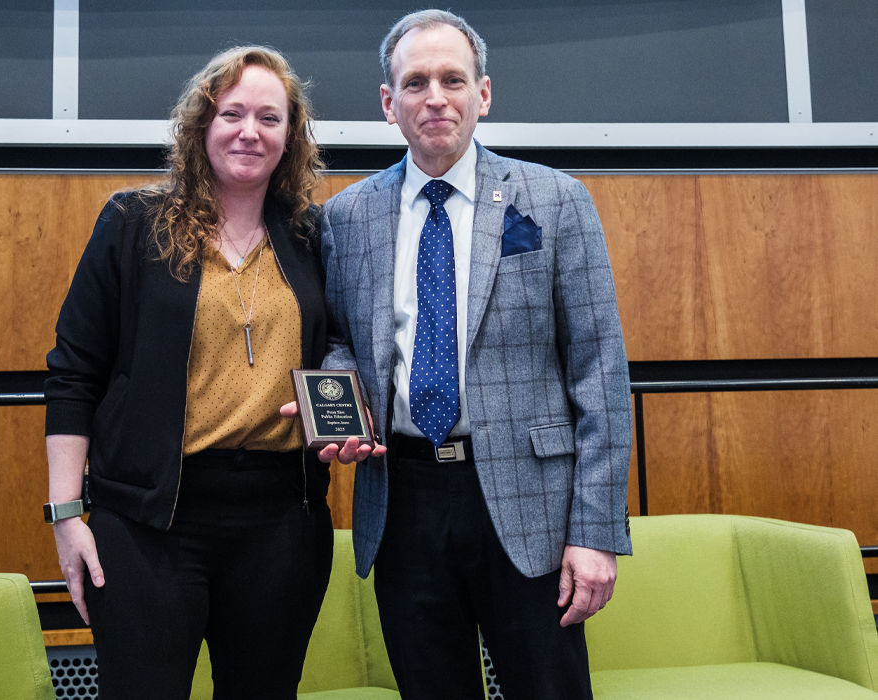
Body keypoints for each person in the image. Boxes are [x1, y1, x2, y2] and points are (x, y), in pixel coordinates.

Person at [312, 10, 633, 699]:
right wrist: (342, 402)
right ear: (388, 102)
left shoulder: (555, 200)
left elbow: (600, 372)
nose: (436, 97)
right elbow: (336, 338)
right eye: (416, 81)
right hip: (403, 499)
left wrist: (596, 532)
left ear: (482, 94)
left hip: (531, 506)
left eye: (453, 80)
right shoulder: (346, 218)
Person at [43, 46, 332, 700]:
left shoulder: (312, 236)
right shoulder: (131, 223)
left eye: (269, 117)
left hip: (282, 524)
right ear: (202, 124)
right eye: (231, 113)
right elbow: (73, 374)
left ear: (291, 137)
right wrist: (66, 515)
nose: (249, 131)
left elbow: (339, 352)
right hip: (148, 524)